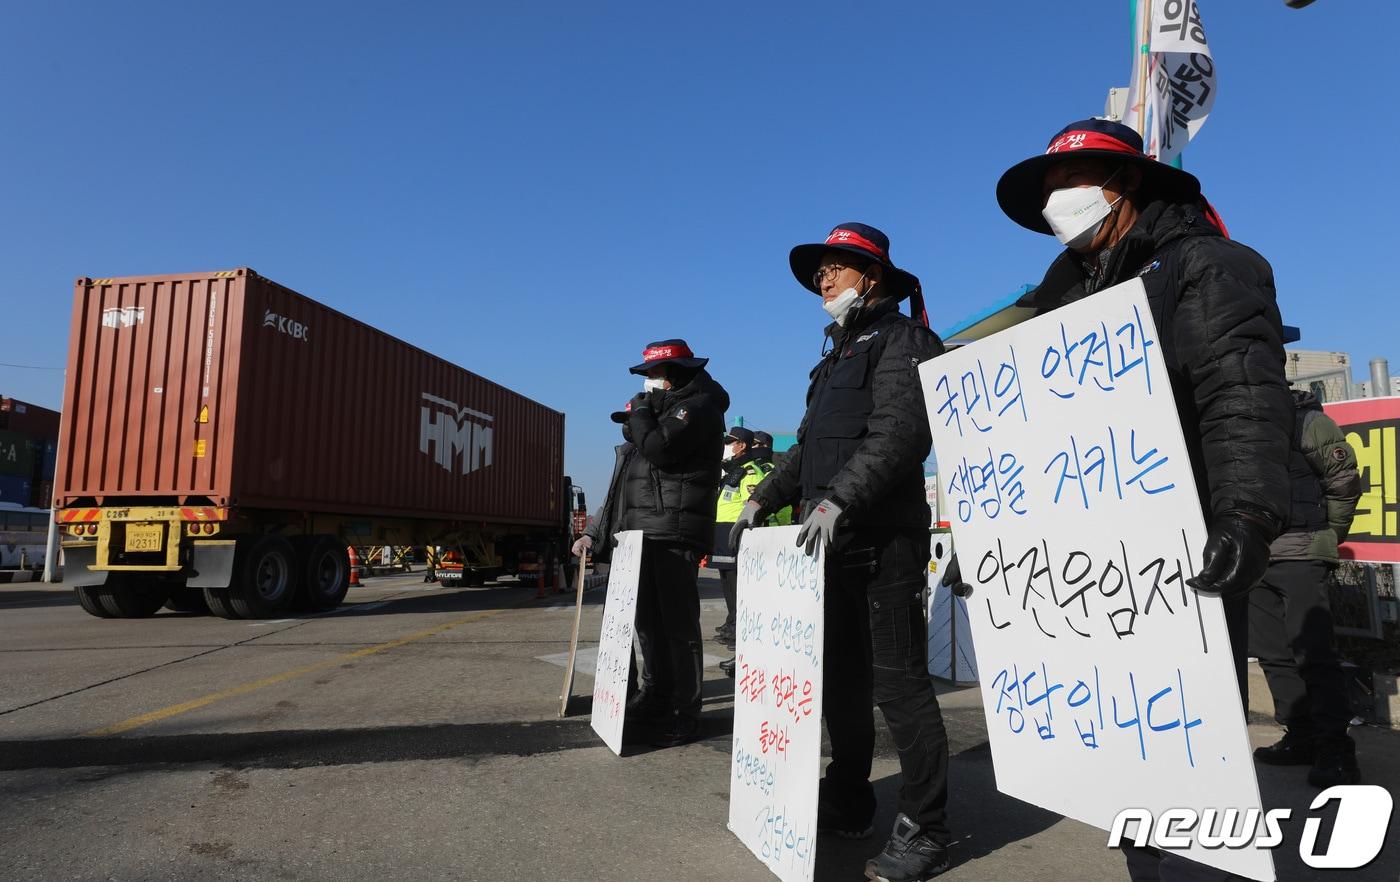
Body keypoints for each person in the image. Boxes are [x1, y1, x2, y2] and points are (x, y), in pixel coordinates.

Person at [995, 118, 1295, 882]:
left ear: (1121, 183)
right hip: (1094, 561)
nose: (1056, 203)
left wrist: (1247, 515)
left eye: (1067, 183)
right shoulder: (1064, 296)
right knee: (1130, 757)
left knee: (1189, 750)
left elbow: (1240, 393)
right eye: (1048, 191)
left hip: (1184, 548)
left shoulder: (1202, 268)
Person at [731, 223, 952, 882]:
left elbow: (901, 434)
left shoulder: (904, 341)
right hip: (827, 548)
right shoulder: (833, 358)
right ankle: (851, 796)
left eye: (836, 268)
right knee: (841, 685)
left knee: (899, 685)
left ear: (872, 275)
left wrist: (839, 501)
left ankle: (928, 827)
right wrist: (764, 498)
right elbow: (806, 449)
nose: (823, 280)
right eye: (820, 271)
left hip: (882, 541)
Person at [617, 339, 728, 748]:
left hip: (674, 529)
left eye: (655, 375)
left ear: (677, 373)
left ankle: (686, 708)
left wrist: (642, 412)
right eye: (647, 377)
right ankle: (656, 693)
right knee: (647, 622)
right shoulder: (665, 411)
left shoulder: (697, 408)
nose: (649, 384)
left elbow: (658, 449)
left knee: (679, 627)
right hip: (644, 531)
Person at [1249, 390, 1362, 786]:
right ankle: (1300, 736)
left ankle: (1336, 750)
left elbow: (1344, 481)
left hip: (1301, 551)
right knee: (1273, 654)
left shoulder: (1306, 420)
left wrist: (1326, 537)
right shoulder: (1234, 419)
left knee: (1314, 655)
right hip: (1255, 557)